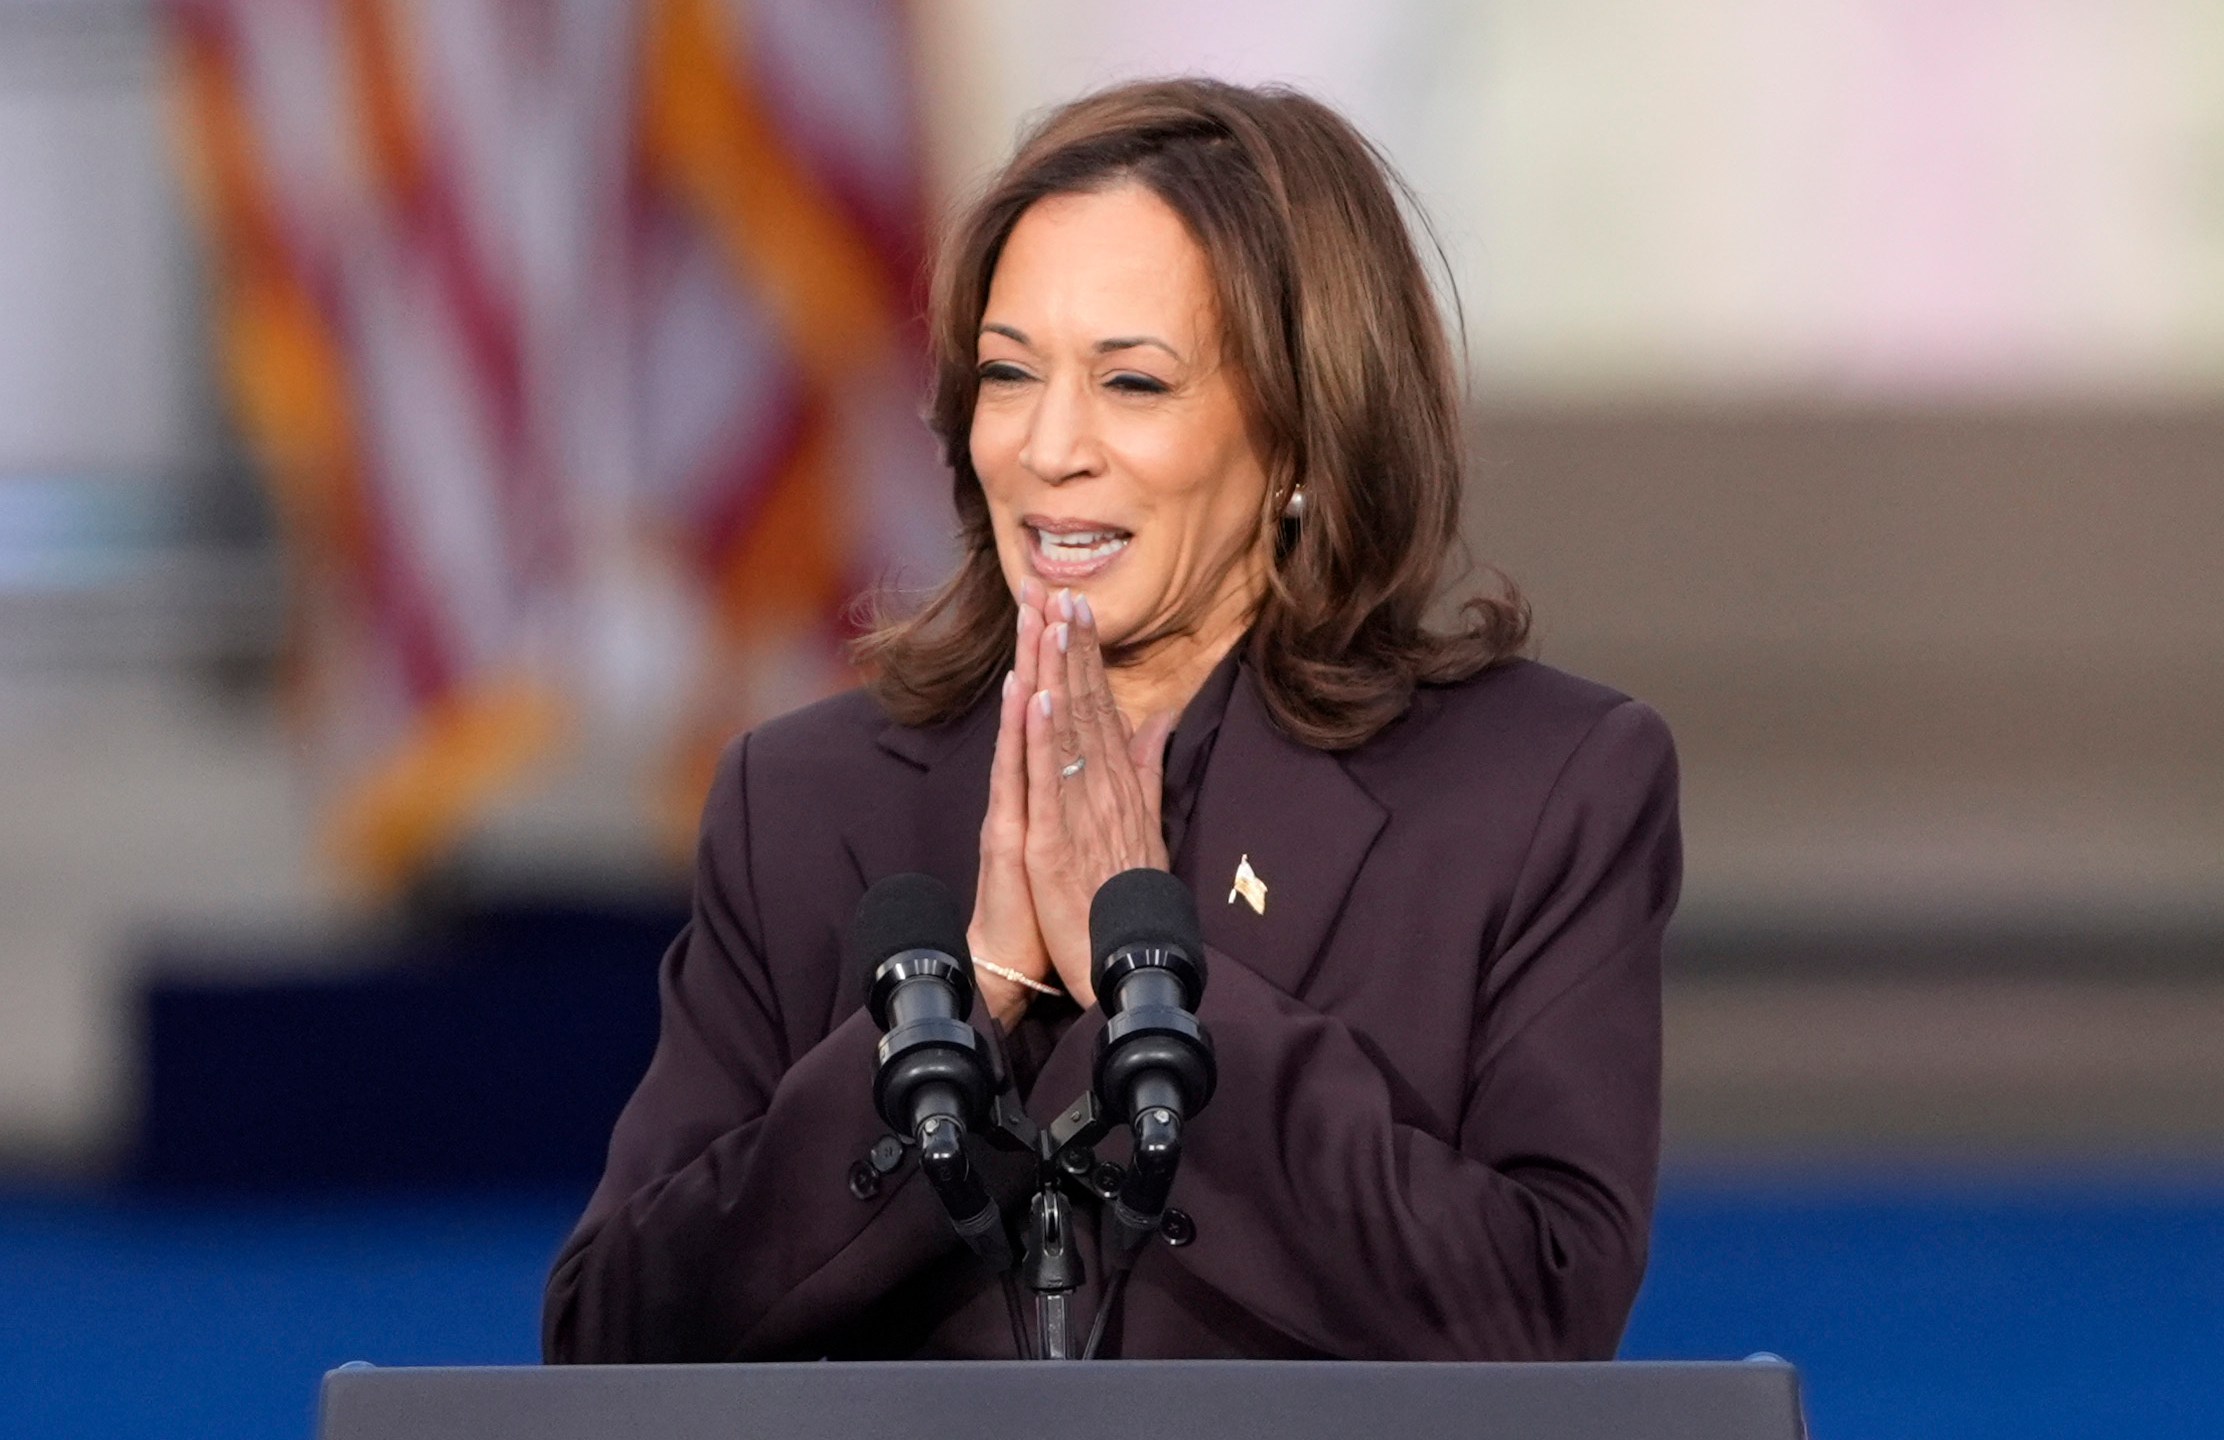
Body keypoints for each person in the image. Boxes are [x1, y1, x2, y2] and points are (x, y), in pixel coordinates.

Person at [543, 77, 1679, 1364]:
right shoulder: (805, 799)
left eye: (1133, 384)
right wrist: (952, 1013)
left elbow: (1535, 1313)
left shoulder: (1534, 790)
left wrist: (1155, 1000)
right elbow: (613, 1336)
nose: (1048, 447)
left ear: (1306, 428)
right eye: (1009, 375)